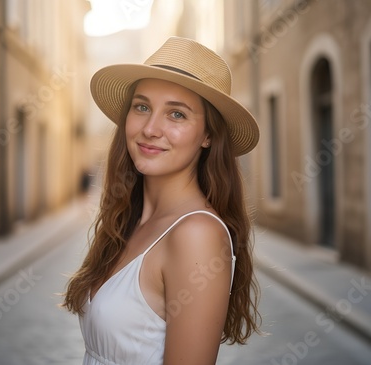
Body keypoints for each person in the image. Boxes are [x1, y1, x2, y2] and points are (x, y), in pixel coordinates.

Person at [63, 36, 261, 365]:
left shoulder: (196, 235)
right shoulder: (129, 218)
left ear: (208, 136)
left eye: (177, 115)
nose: (151, 128)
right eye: (142, 107)